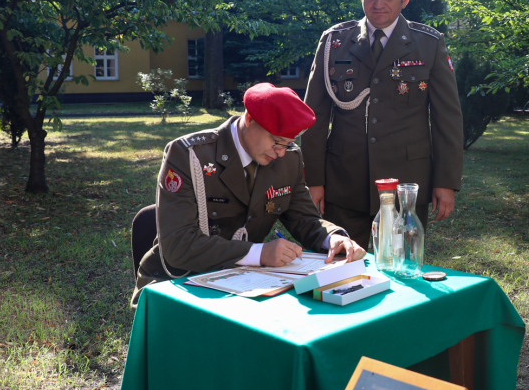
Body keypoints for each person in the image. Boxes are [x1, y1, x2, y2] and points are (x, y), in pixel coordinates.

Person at [132, 82, 364, 308]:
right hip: (176, 283)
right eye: (276, 142)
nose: (281, 153)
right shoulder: (189, 154)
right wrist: (259, 253)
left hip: (244, 282)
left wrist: (333, 237)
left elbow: (305, 219)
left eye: (289, 143)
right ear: (250, 118)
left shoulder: (288, 159)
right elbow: (179, 247)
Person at [302, 0, 464, 247]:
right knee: (341, 267)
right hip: (343, 183)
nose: (379, 4)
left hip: (405, 184)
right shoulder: (334, 42)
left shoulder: (428, 44)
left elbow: (447, 119)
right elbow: (313, 117)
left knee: (400, 270)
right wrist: (314, 180)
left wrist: (446, 182)